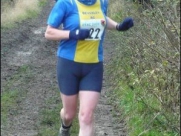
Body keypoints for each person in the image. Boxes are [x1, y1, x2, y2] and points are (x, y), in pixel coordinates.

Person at [45, 0, 134, 136]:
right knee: (69, 114)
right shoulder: (65, 3)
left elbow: (102, 18)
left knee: (86, 116)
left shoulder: (102, 2)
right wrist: (72, 34)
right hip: (68, 65)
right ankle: (65, 127)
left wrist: (118, 26)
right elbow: (49, 32)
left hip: (93, 67)